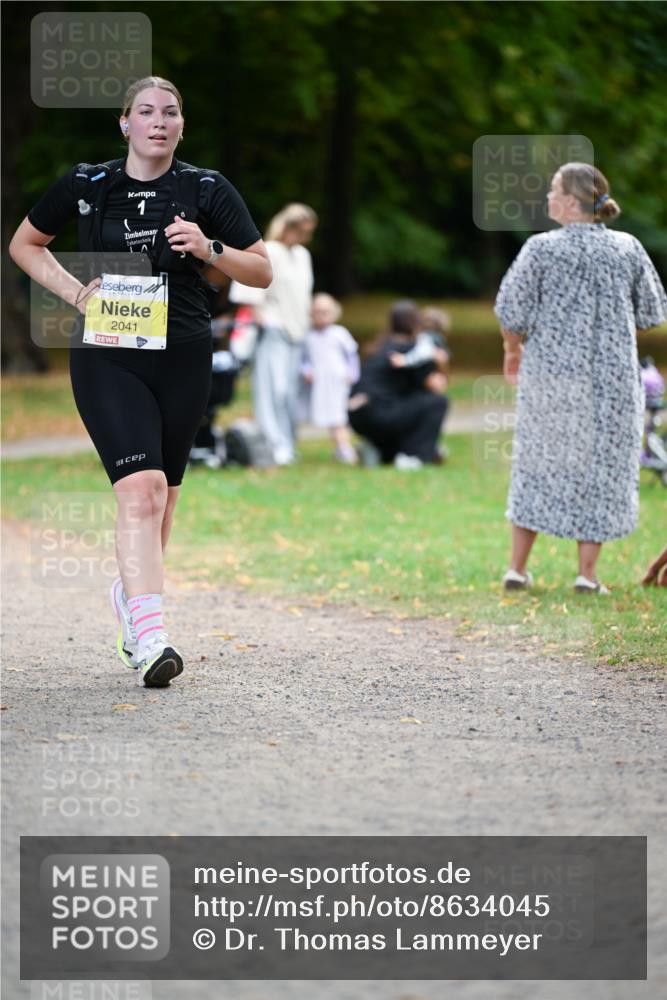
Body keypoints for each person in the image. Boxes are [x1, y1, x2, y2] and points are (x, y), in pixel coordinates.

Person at [9, 76, 271, 686]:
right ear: (125, 124)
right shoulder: (87, 184)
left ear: (182, 125)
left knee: (164, 499)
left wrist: (210, 248)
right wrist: (76, 292)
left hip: (182, 355)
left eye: (171, 112)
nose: (159, 121)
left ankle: (132, 600)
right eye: (146, 112)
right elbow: (25, 244)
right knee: (141, 488)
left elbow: (261, 271)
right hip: (109, 352)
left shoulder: (205, 188)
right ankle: (152, 639)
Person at [495, 162, 667, 594]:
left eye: (553, 190)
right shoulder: (627, 248)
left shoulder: (540, 249)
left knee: (538, 463)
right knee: (604, 471)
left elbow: (511, 311)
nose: (548, 198)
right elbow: (652, 311)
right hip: (612, 381)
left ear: (571, 200)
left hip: (551, 377)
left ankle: (517, 568)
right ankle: (587, 575)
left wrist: (512, 350)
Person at [229, 203, 317, 465]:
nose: (307, 236)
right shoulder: (271, 251)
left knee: (289, 391)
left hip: (297, 330)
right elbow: (250, 295)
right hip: (273, 329)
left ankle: (288, 443)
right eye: (303, 230)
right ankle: (272, 443)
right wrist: (262, 323)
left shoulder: (302, 255)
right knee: (272, 389)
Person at [348, 300, 448, 469]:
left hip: (356, 414)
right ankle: (413, 455)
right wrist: (442, 363)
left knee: (409, 403)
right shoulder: (412, 350)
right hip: (381, 413)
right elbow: (436, 386)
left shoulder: (378, 348)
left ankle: (379, 450)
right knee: (437, 402)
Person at [300, 293, 360, 464]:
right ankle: (340, 448)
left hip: (337, 380)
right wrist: (306, 371)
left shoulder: (339, 334)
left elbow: (351, 356)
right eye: (317, 312)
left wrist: (352, 374)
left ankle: (345, 448)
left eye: (325, 312)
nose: (321, 316)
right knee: (328, 414)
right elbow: (304, 360)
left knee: (337, 415)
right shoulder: (308, 336)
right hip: (320, 382)